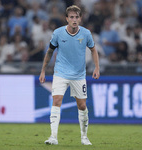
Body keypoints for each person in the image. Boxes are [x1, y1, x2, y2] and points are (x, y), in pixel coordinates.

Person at [39, 5, 100, 145]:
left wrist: (97, 67)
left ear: (80, 18)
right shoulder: (58, 33)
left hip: (79, 75)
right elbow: (49, 52)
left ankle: (84, 137)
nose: (74, 19)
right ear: (66, 19)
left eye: (76, 17)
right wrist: (43, 70)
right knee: (57, 101)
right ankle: (53, 136)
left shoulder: (86, 34)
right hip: (61, 73)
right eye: (71, 17)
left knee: (82, 106)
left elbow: (93, 50)